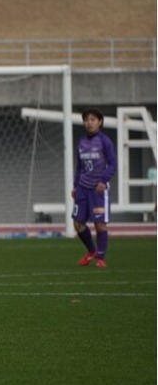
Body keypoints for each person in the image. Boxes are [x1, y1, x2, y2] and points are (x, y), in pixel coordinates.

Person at [72, 107, 117, 267]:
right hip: (83, 188)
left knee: (99, 225)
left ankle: (101, 258)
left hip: (98, 190)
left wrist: (103, 181)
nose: (89, 123)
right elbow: (80, 167)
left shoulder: (105, 141)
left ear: (99, 122)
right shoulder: (81, 142)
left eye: (92, 120)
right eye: (86, 120)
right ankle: (91, 251)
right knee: (77, 223)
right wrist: (75, 186)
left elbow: (112, 163)